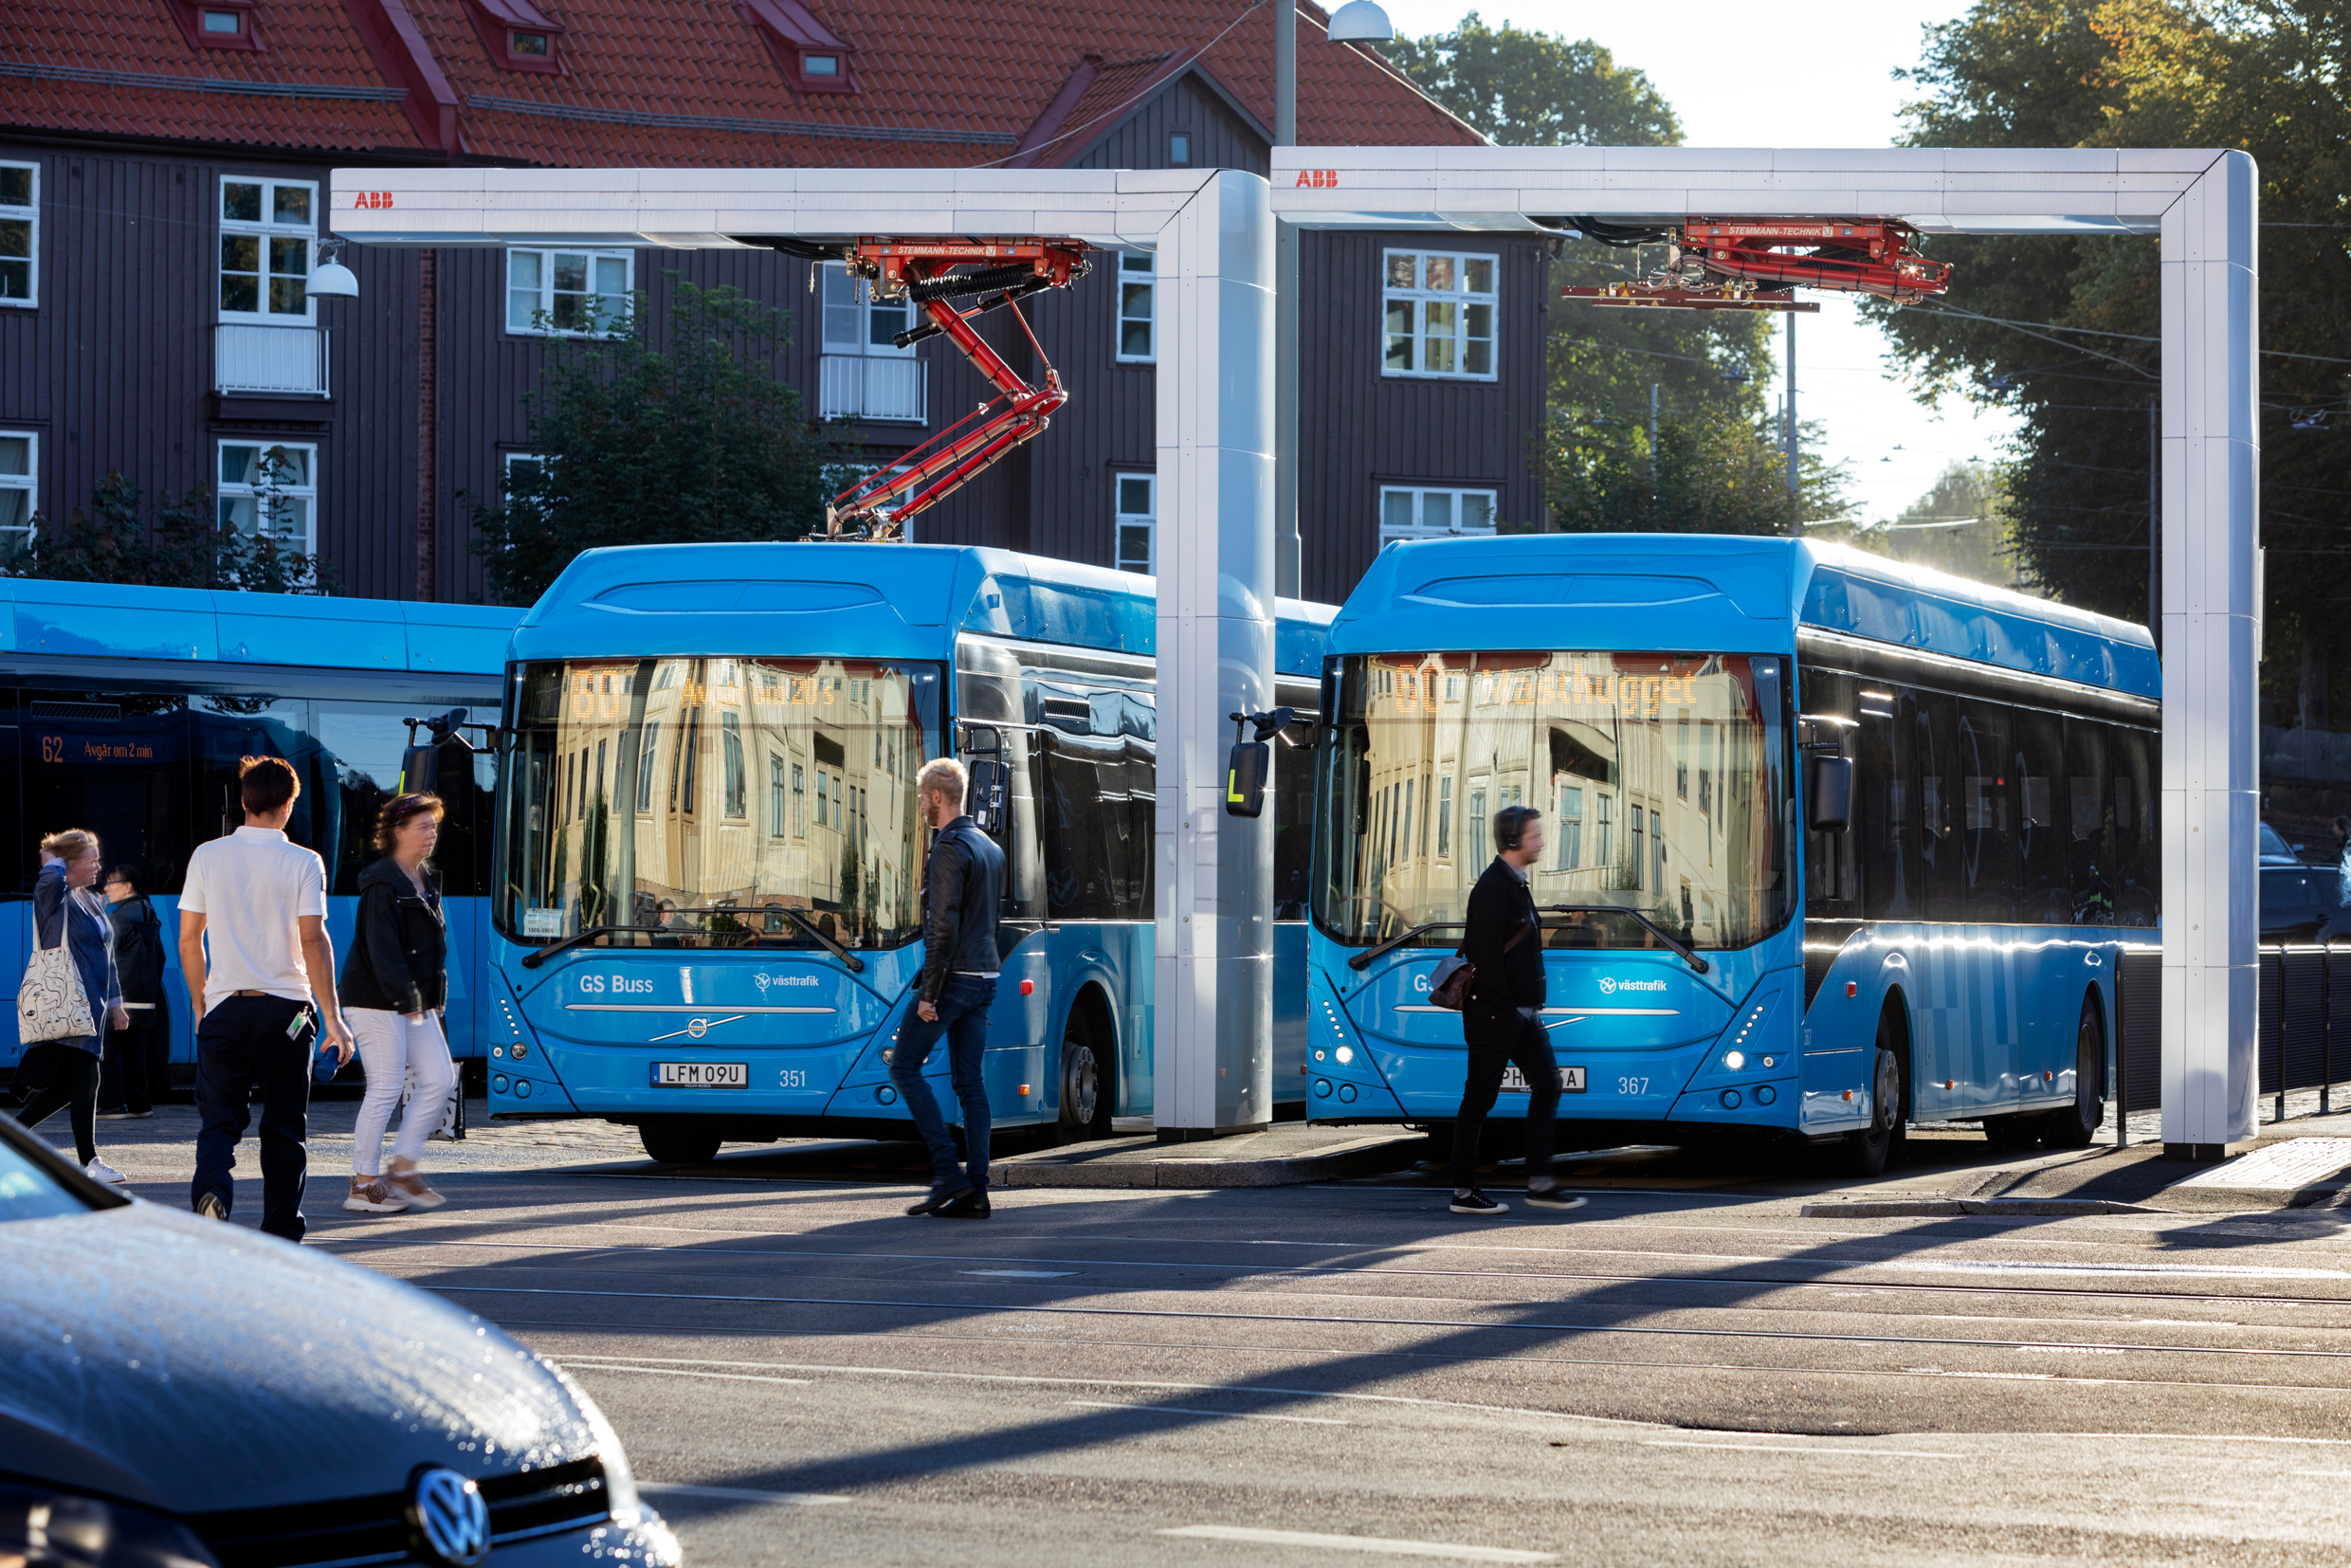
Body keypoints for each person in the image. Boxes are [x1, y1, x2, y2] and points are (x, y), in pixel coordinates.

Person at [180, 756, 355, 1241]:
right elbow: (313, 942)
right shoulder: (303, 861)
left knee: (219, 1121)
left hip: (225, 1008)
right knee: (283, 1126)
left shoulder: (206, 856)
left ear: (243, 802)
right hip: (287, 1014)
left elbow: (189, 939)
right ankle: (280, 1230)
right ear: (288, 805)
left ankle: (212, 1194)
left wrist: (200, 1003)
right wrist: (334, 1019)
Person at [1449, 805, 1584, 1218]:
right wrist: (1507, 1010)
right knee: (1478, 1099)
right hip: (1496, 1015)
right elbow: (1485, 958)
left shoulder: (1515, 884)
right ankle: (1464, 1191)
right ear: (1513, 841)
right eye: (1535, 836)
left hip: (1519, 1014)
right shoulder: (1493, 888)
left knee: (1548, 1084)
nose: (1541, 842)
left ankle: (1540, 1182)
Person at [892, 757, 1006, 1219]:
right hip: (985, 977)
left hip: (954, 978)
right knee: (970, 1083)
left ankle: (947, 1174)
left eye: (922, 796)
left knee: (904, 1066)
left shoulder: (949, 848)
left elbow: (942, 928)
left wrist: (929, 995)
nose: (920, 803)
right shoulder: (988, 846)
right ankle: (976, 1190)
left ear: (937, 797)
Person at [339, 793, 457, 1215]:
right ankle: (363, 1183)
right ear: (398, 832)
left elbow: (433, 946)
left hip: (411, 998)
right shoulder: (381, 882)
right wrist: (407, 995)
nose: (432, 834)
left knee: (440, 1077)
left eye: (434, 827)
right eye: (423, 826)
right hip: (374, 998)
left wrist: (434, 993)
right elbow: (381, 947)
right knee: (386, 1087)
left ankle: (403, 1166)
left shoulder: (424, 879)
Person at [14, 830, 131, 1184]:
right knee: (87, 1076)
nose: (98, 865)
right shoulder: (54, 895)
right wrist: (53, 860)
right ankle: (90, 1162)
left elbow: (106, 955)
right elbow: (49, 878)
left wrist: (116, 1003)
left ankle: (9, 1138)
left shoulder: (91, 900)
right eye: (91, 859)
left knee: (69, 1087)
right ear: (72, 863)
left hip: (90, 1005)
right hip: (67, 999)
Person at [97, 865, 169, 1121]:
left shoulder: (119, 918)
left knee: (110, 1049)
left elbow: (103, 959)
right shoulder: (149, 914)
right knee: (135, 1051)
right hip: (144, 999)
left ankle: (113, 1104)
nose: (106, 888)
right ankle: (140, 1104)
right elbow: (160, 958)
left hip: (120, 999)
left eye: (111, 884)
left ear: (128, 887)